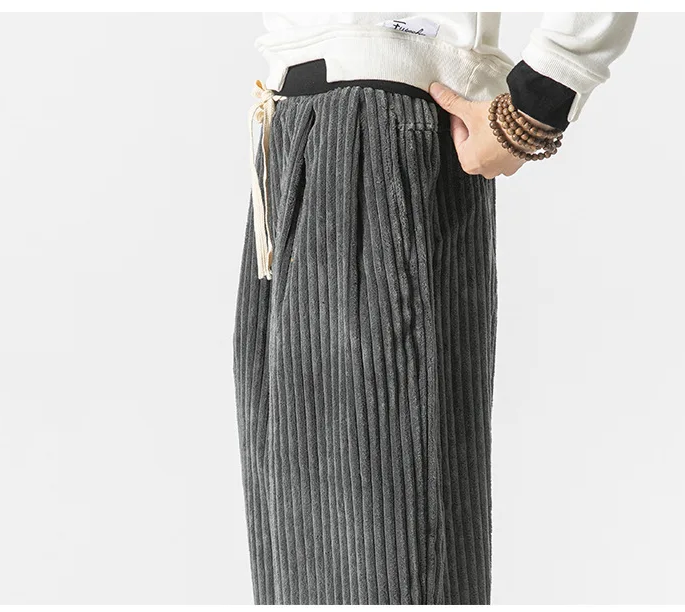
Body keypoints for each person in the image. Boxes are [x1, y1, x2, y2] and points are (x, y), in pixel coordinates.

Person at [234, 12, 638, 605]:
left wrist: (541, 96)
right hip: (295, 132)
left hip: (372, 133)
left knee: (379, 557)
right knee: (309, 564)